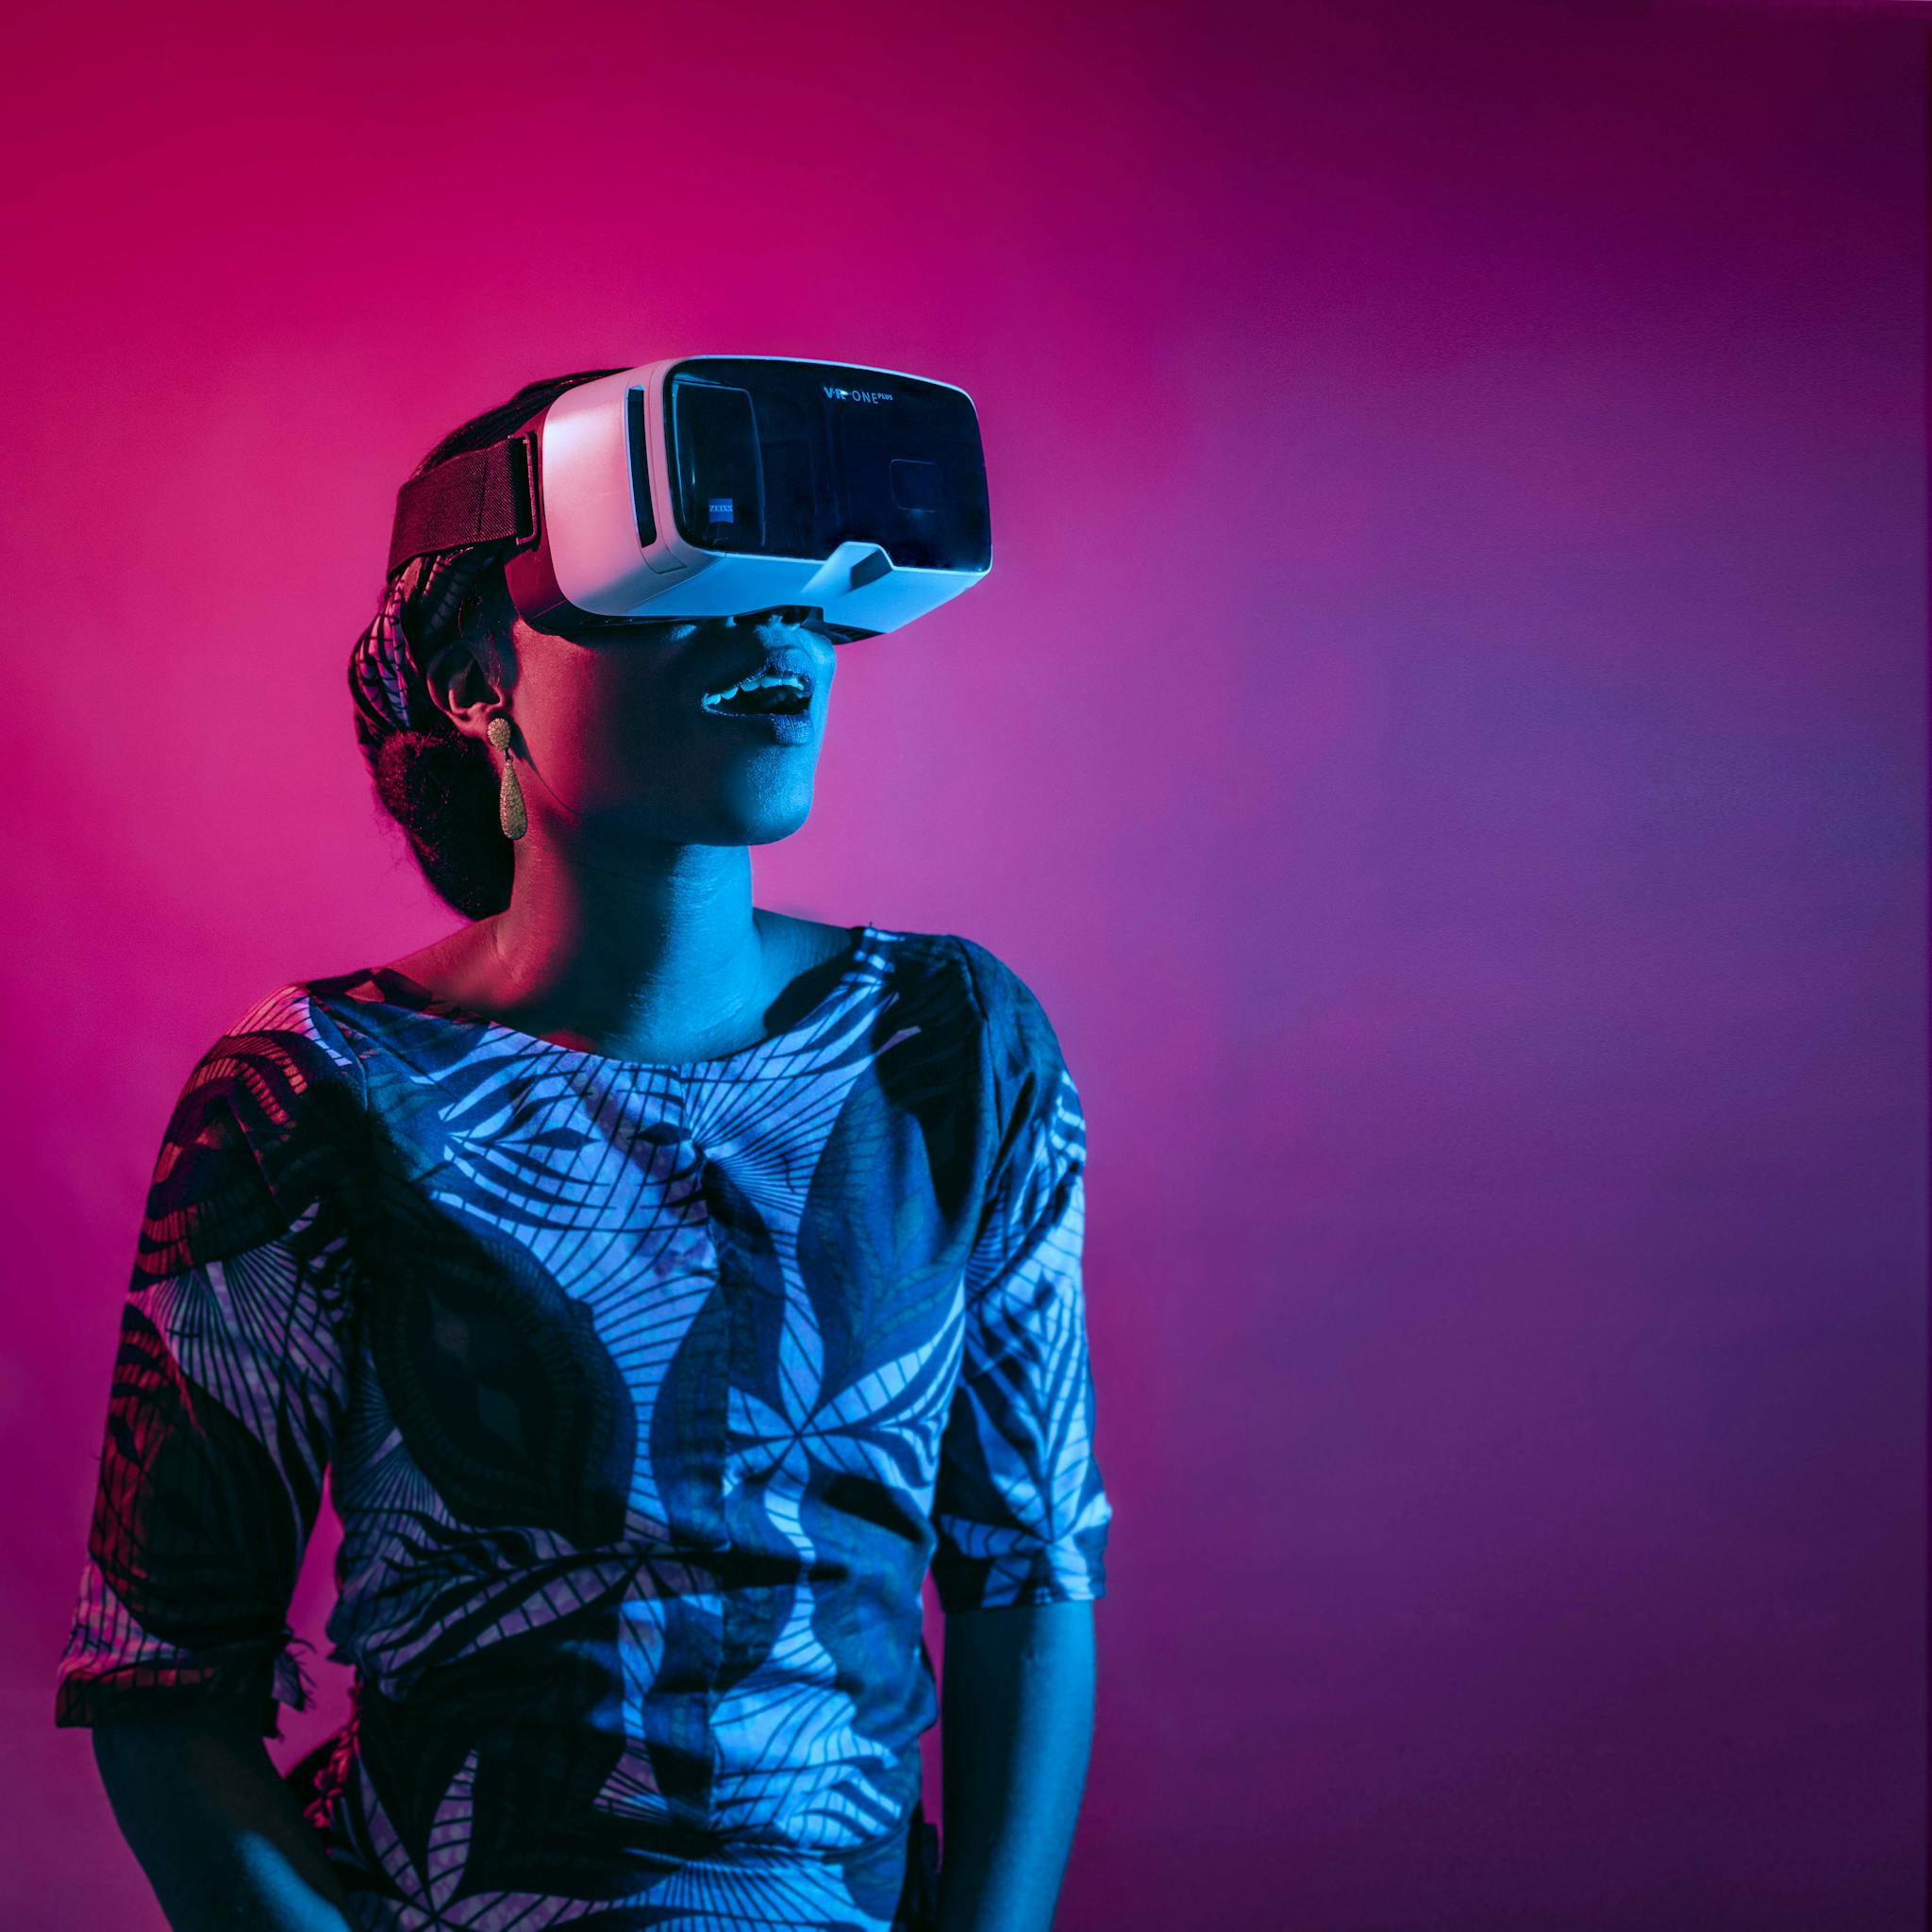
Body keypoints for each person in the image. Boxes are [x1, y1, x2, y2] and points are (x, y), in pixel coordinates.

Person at [54, 369, 1112, 1932]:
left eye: (813, 599)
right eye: (688, 582)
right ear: (477, 671)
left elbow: (1027, 1571)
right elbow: (162, 1679)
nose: (778, 639)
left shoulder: (954, 1046)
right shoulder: (308, 1094)